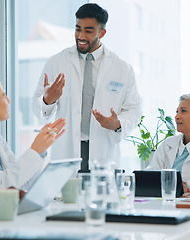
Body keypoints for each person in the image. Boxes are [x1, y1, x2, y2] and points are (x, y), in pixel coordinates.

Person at [32, 3, 141, 171]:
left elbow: (134, 110)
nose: (81, 36)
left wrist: (117, 124)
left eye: (88, 31)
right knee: (68, 196)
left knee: (100, 195)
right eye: (77, 29)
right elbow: (37, 109)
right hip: (67, 150)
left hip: (103, 149)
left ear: (102, 33)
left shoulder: (121, 68)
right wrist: (48, 100)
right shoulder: (56, 62)